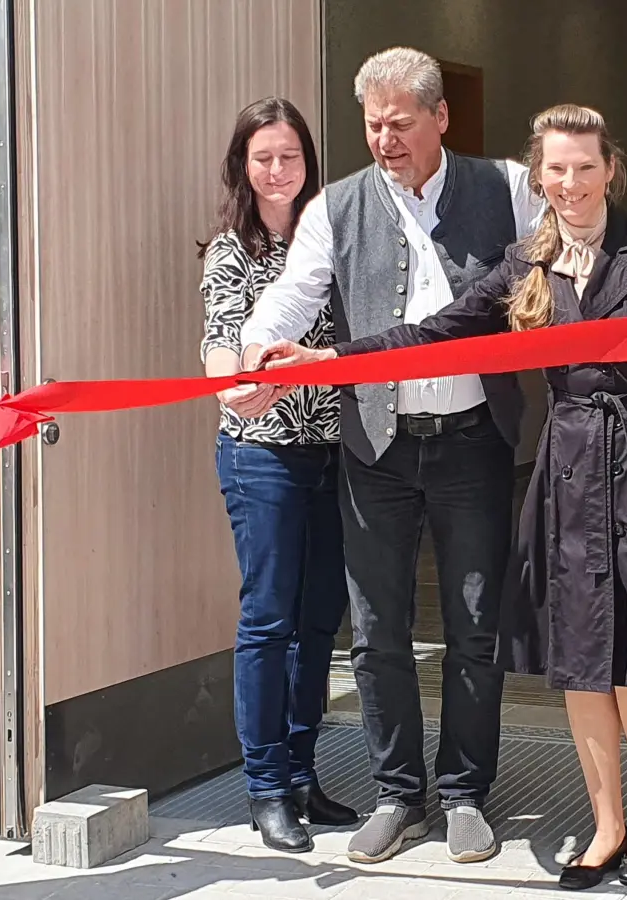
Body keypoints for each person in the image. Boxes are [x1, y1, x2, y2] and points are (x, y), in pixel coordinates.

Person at [260, 104, 627, 892]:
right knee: (583, 666)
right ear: (540, 175)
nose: (570, 183)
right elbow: (437, 331)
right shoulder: (529, 259)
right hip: (565, 475)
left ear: (610, 171)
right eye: (555, 169)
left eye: (585, 167)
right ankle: (608, 826)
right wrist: (329, 358)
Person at [231, 47, 543, 866]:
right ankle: (399, 793)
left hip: (476, 442)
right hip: (376, 448)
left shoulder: (508, 187)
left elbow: (566, 253)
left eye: (401, 124)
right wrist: (255, 353)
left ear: (440, 117)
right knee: (377, 634)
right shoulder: (335, 206)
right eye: (373, 125)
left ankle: (468, 793)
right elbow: (295, 294)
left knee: (476, 628)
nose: (385, 140)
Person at [198, 97, 356, 853]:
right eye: (263, 156)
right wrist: (232, 384)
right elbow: (221, 339)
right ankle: (264, 788)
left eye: (289, 155)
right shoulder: (231, 249)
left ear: (308, 162)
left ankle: (301, 772)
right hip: (260, 453)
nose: (277, 169)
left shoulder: (332, 235)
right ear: (244, 164)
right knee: (269, 619)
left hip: (334, 452)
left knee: (319, 618)